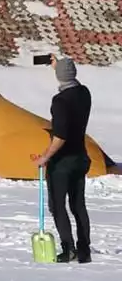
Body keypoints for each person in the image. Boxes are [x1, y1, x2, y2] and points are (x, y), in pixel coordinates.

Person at [33, 56, 92, 263]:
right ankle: (84, 250)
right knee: (78, 206)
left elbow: (60, 136)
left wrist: (45, 157)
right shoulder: (84, 93)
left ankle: (68, 249)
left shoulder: (60, 101)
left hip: (62, 162)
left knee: (58, 206)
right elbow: (68, 77)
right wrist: (58, 65)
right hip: (81, 157)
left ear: (59, 77)